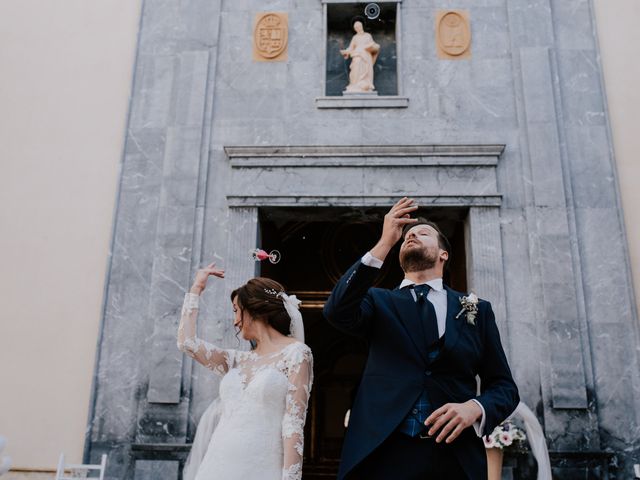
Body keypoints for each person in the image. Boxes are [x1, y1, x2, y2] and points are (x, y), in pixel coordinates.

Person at [323, 198, 519, 480]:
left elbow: (504, 386)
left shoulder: (477, 309)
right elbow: (336, 311)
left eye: (423, 233)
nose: (411, 234)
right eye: (406, 237)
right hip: (383, 453)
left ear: (443, 254)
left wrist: (474, 408)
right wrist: (385, 242)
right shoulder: (378, 302)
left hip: (454, 456)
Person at [177, 263, 313, 480]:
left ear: (252, 310)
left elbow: (293, 424)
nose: (235, 321)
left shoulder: (296, 354)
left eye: (236, 311)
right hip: (217, 465)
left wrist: (290, 478)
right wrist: (196, 289)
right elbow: (187, 343)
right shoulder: (235, 360)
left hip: (262, 467)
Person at [340, 20, 380, 93]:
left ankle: (365, 84)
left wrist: (374, 47)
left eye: (359, 26)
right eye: (356, 27)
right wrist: (346, 52)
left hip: (366, 56)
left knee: (365, 69)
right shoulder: (355, 37)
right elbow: (351, 48)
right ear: (355, 29)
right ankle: (355, 84)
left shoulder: (368, 35)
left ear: (362, 26)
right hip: (357, 56)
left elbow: (373, 45)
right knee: (355, 68)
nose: (358, 28)